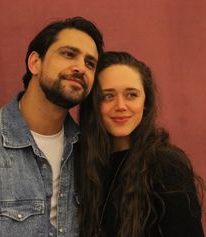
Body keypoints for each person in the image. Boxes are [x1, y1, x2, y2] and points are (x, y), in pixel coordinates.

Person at [0, 16, 104, 237]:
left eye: (90, 63)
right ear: (35, 63)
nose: (81, 68)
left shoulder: (88, 151)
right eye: (69, 54)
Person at [76, 51, 205, 237]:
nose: (120, 105)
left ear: (145, 102)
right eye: (108, 96)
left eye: (131, 95)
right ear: (93, 105)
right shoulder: (83, 162)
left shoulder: (166, 165)